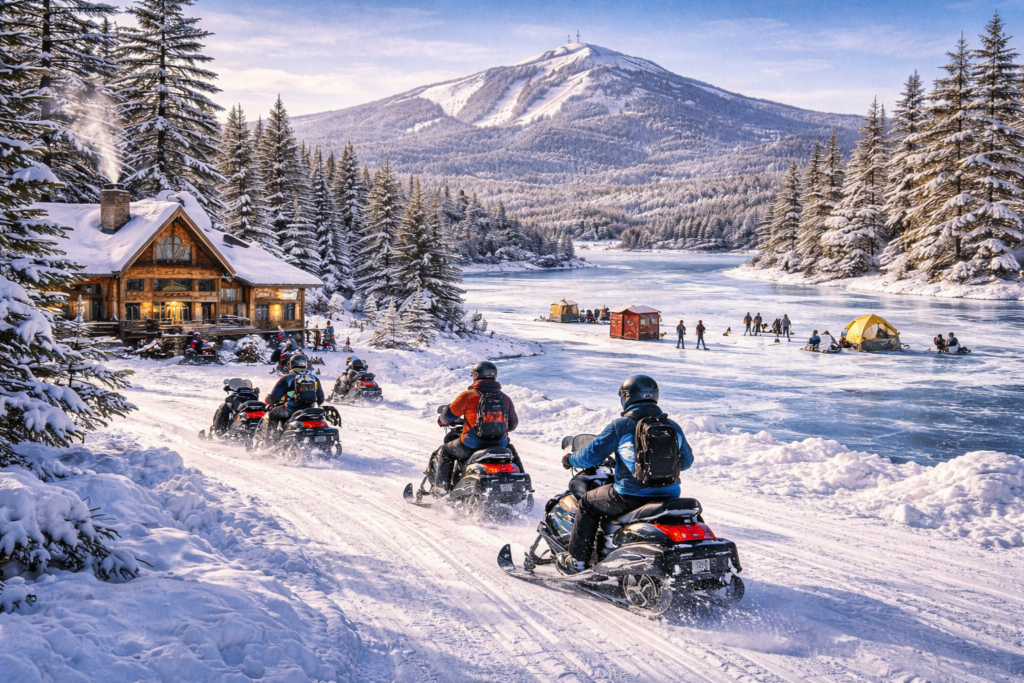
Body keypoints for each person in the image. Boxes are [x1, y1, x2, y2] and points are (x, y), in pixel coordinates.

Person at [555, 375, 694, 574]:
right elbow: (687, 462)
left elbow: (590, 457)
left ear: (627, 397)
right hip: (669, 495)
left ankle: (577, 561)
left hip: (630, 496)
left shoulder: (621, 425)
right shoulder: (672, 426)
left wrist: (569, 459)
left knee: (587, 502)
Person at [434, 361, 523, 495]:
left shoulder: (468, 395)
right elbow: (512, 425)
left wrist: (442, 421)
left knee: (446, 451)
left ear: (476, 375)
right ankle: (523, 487)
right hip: (500, 445)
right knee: (512, 454)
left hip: (472, 445)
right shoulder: (505, 398)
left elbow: (448, 417)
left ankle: (441, 489)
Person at [260, 354, 325, 441]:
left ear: (290, 364)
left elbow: (275, 397)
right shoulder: (314, 378)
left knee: (273, 414)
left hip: (290, 410)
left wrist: (269, 400)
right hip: (309, 411)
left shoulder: (287, 378)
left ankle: (270, 443)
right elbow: (321, 399)